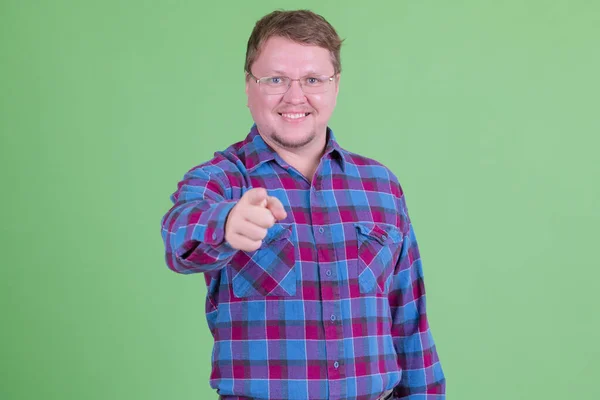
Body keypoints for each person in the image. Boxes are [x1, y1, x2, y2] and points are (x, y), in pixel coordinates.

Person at [160, 9, 445, 400]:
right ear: (249, 87)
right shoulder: (222, 180)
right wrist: (227, 222)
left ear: (336, 86)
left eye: (313, 79)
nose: (295, 96)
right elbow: (180, 235)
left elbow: (410, 325)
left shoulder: (382, 186)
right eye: (275, 79)